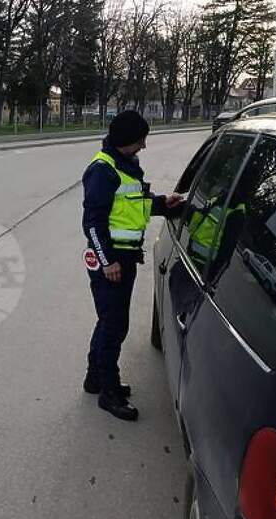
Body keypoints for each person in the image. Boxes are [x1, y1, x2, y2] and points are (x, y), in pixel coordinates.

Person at [81, 110, 184, 421]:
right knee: (114, 326)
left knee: (108, 322)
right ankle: (108, 392)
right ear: (127, 140)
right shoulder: (103, 170)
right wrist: (107, 261)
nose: (144, 145)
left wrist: (162, 203)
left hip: (124, 258)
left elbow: (131, 207)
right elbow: (93, 223)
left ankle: (95, 378)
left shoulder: (126, 165)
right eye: (141, 140)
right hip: (112, 261)